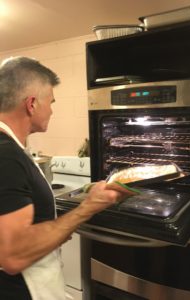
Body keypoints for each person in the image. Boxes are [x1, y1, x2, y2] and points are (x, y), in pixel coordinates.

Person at [0, 56, 132, 300]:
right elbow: (13, 255)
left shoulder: (11, 149)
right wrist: (89, 206)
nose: (51, 110)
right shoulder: (6, 155)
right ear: (31, 104)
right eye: (50, 102)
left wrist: (57, 229)